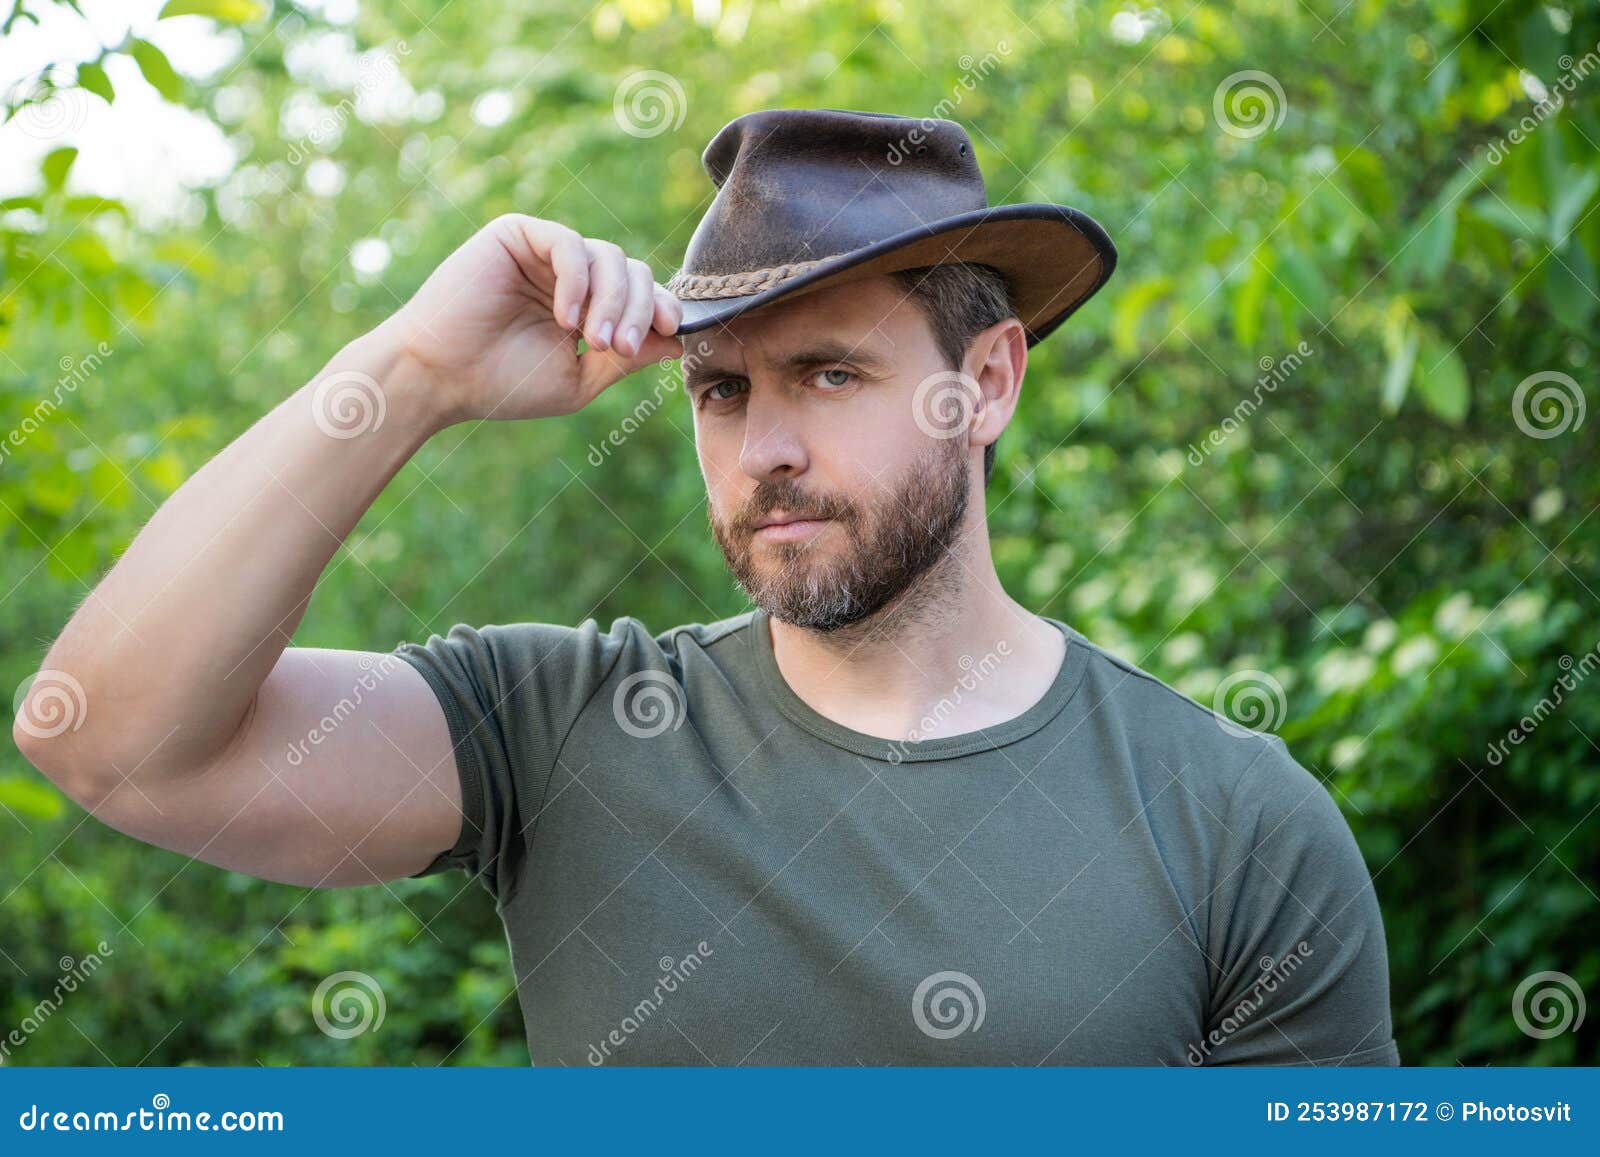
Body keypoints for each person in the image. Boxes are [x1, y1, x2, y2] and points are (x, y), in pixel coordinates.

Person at [14, 108, 1398, 1065]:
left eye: (833, 375)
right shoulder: (560, 730)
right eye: (722, 390)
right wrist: (416, 375)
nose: (768, 448)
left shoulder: (1234, 822)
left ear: (985, 386)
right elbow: (106, 739)